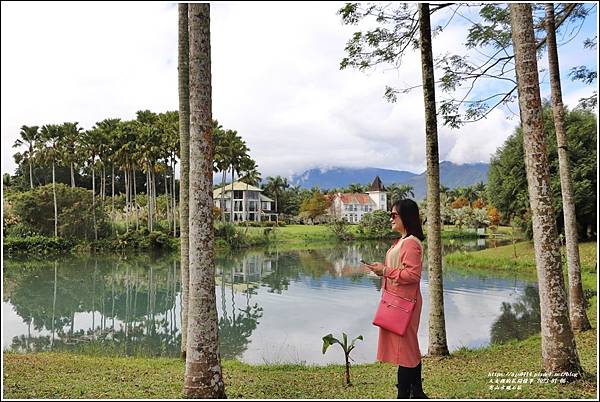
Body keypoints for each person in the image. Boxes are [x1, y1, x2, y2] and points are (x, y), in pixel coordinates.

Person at [364, 199, 428, 399]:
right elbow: (396, 271)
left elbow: (412, 276)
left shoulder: (410, 243)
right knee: (407, 350)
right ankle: (416, 392)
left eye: (394, 215)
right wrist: (382, 271)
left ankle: (405, 394)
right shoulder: (402, 241)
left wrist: (385, 270)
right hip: (396, 302)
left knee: (406, 351)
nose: (390, 218)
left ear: (406, 217)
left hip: (405, 305)